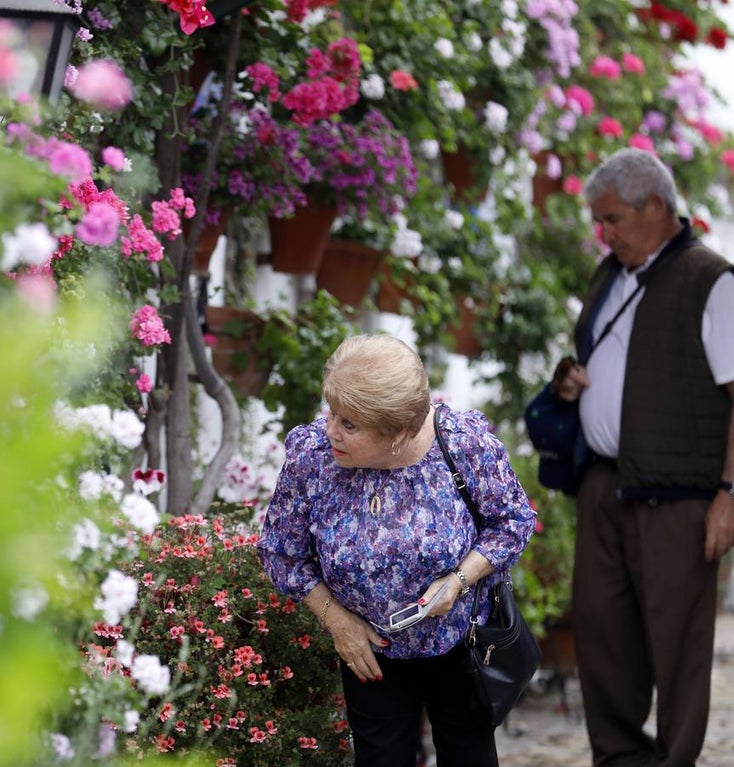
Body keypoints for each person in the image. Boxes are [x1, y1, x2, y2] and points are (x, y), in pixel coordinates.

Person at [257, 333, 536, 767]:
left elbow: (513, 521)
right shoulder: (313, 456)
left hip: (462, 644)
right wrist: (338, 622)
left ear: (399, 433)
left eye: (350, 425)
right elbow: (281, 553)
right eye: (333, 413)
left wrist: (460, 579)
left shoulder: (463, 445)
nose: (331, 431)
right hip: (370, 653)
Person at [548, 147, 734, 767]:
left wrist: (728, 496)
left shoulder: (712, 279)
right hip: (604, 486)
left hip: (679, 501)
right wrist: (570, 384)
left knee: (676, 650)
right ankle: (620, 760)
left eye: (614, 219)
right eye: (600, 222)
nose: (605, 233)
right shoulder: (611, 275)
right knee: (603, 642)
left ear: (656, 205)